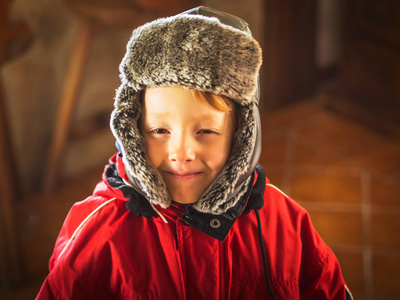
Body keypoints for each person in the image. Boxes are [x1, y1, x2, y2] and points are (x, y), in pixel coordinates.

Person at [37, 6, 353, 299]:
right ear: (133, 131)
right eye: (160, 131)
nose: (182, 153)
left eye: (205, 132)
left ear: (242, 138)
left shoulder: (283, 224)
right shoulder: (98, 234)